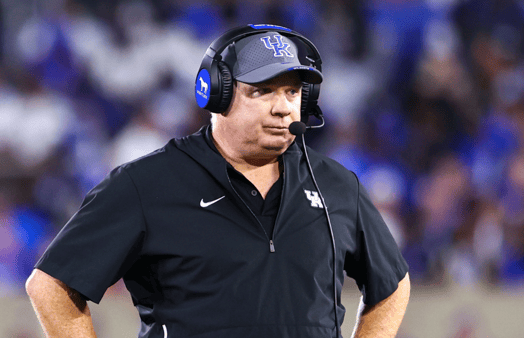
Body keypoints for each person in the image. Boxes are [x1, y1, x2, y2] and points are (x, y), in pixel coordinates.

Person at [26, 24, 410, 338]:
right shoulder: (147, 184)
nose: (282, 107)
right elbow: (51, 286)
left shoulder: (338, 185)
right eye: (262, 91)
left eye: (293, 91)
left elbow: (392, 285)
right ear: (217, 94)